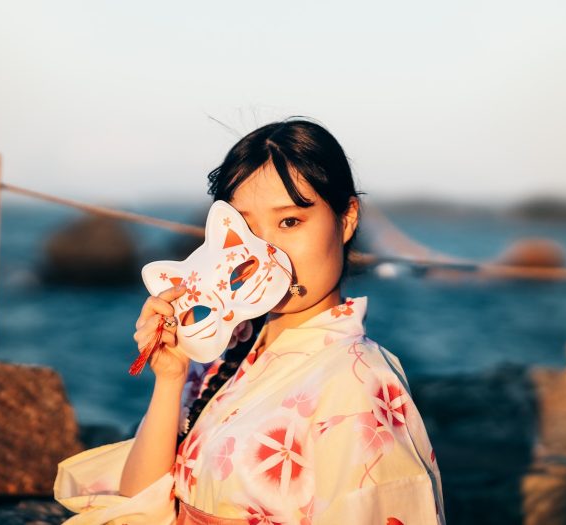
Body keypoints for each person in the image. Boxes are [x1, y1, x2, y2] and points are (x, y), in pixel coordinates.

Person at [53, 118, 446, 525]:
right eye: (245, 230)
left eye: (290, 221)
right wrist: (171, 378)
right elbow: (138, 505)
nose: (265, 254)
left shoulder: (357, 382)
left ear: (346, 219)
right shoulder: (223, 354)